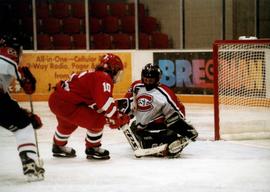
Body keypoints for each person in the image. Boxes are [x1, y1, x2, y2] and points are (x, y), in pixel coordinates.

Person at [49, 53, 130, 160]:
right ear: (113, 69)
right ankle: (93, 148)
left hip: (57, 100)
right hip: (67, 104)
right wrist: (116, 117)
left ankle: (58, 146)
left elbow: (92, 99)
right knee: (98, 120)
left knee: (67, 125)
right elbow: (105, 102)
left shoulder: (95, 74)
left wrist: (110, 113)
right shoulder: (104, 77)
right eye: (118, 72)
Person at [120, 63, 198, 157]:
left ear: (157, 79)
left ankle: (176, 140)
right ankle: (163, 143)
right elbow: (128, 102)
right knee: (135, 128)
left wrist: (183, 129)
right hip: (142, 127)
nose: (148, 82)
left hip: (159, 127)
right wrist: (124, 114)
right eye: (145, 79)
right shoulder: (136, 86)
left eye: (151, 80)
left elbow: (179, 112)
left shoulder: (165, 93)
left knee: (167, 136)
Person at [0, 34, 45, 181]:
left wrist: (23, 113)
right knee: (23, 126)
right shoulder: (9, 56)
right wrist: (26, 79)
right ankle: (30, 162)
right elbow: (28, 87)